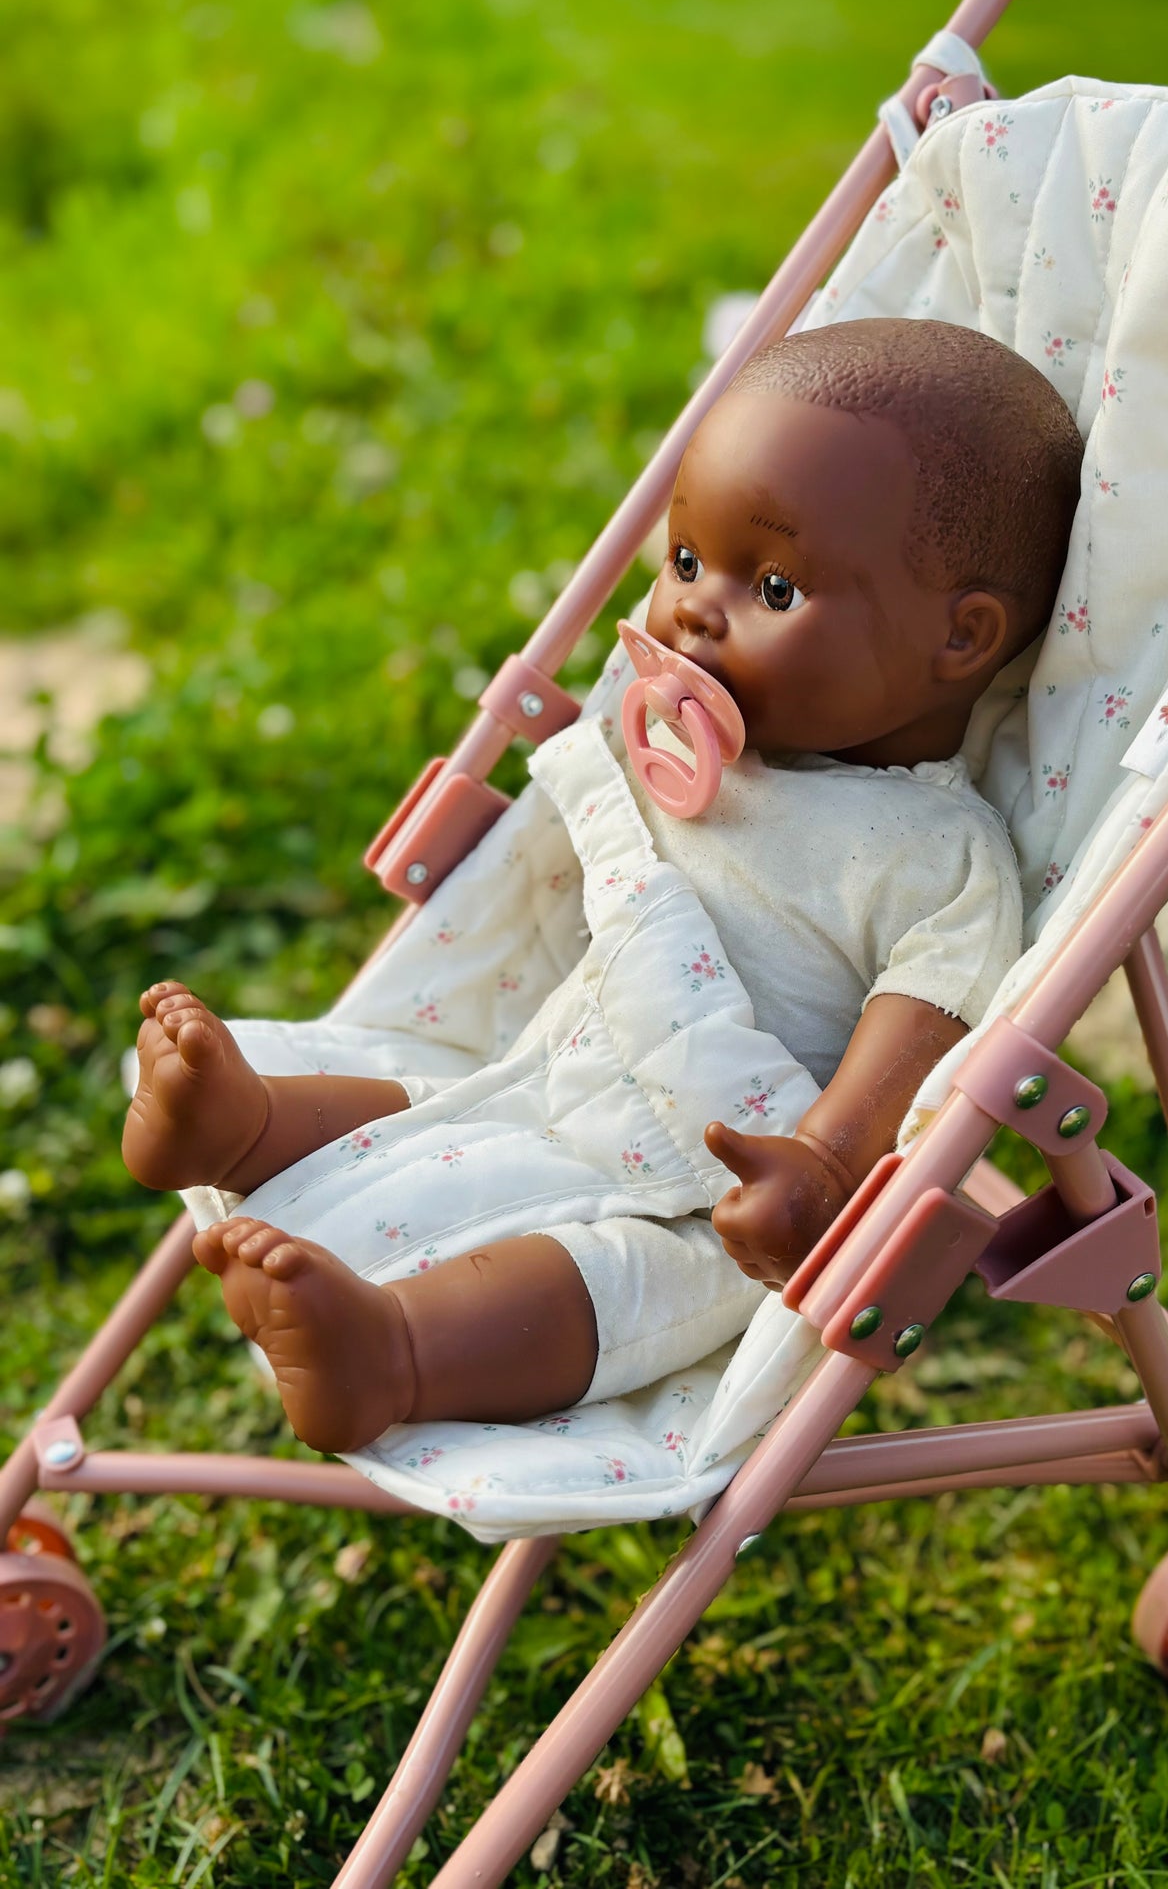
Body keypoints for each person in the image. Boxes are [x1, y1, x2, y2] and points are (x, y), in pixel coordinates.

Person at [120, 318, 1083, 1455]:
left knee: (612, 1283)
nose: (690, 608)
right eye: (682, 560)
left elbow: (928, 1018)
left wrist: (823, 1162)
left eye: (769, 584)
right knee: (442, 1104)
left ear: (959, 639)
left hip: (714, 1184)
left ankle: (391, 1350)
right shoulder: (683, 743)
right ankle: (250, 1125)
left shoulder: (937, 852)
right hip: (560, 1068)